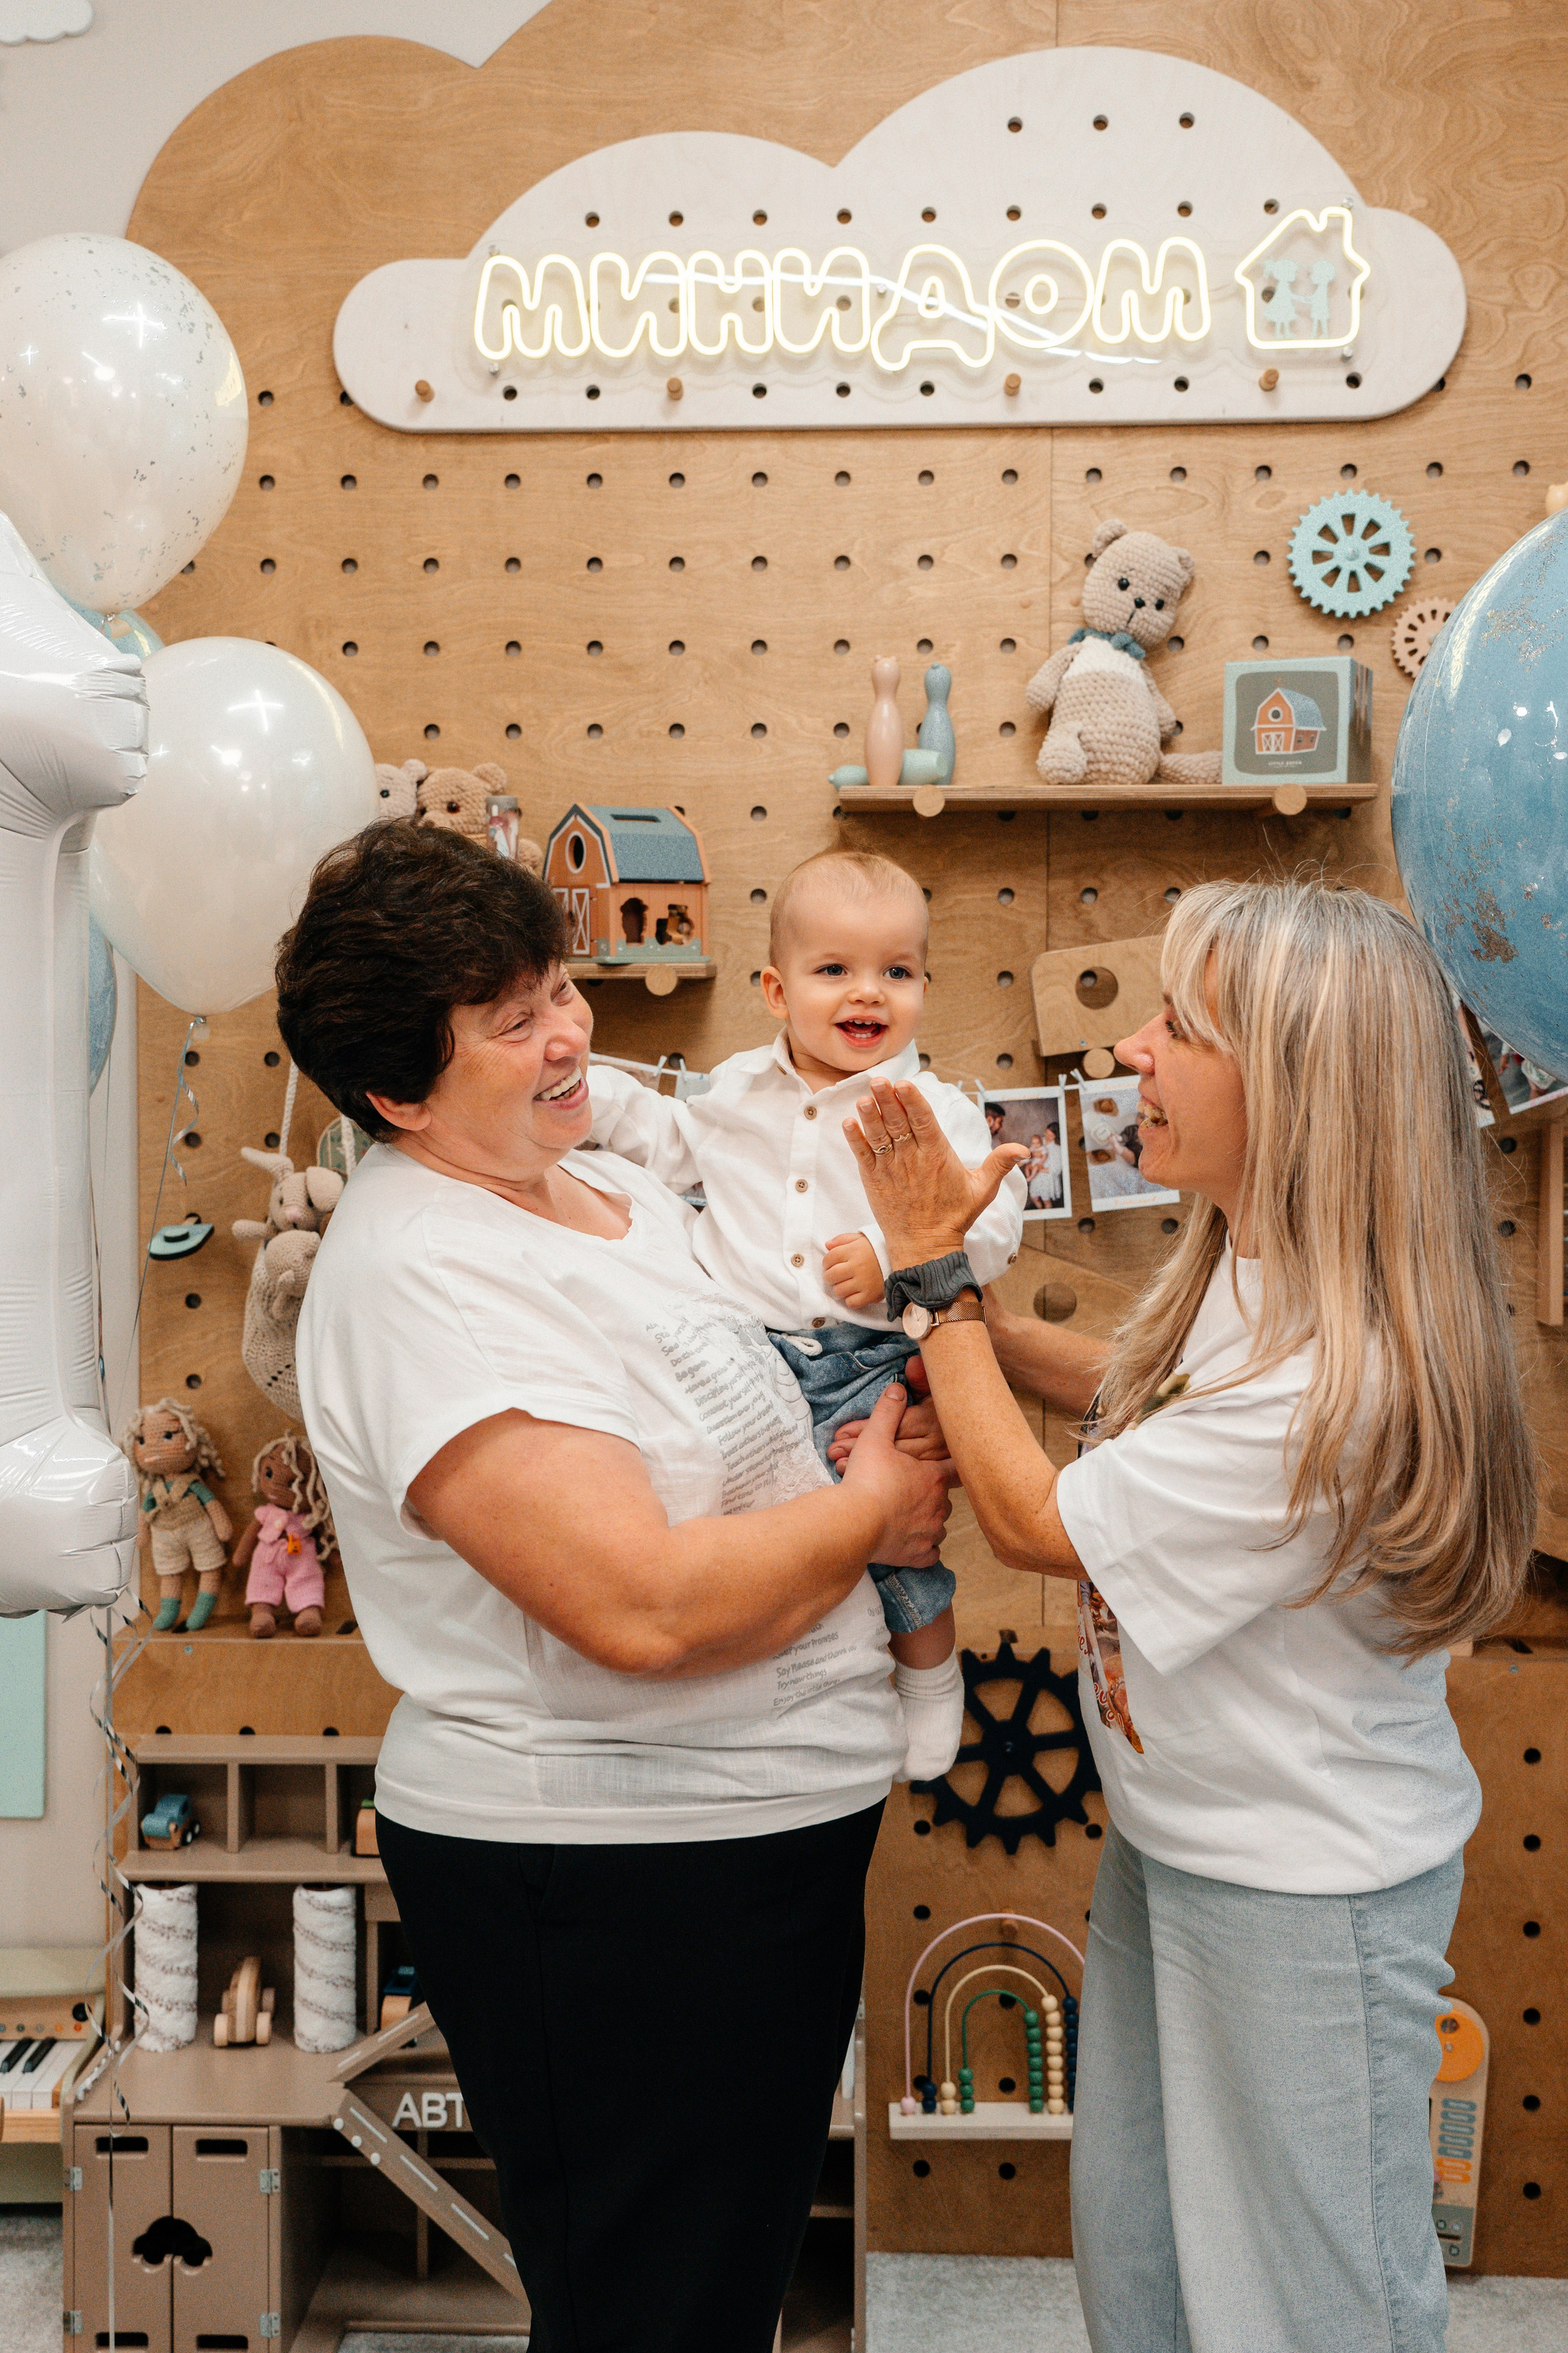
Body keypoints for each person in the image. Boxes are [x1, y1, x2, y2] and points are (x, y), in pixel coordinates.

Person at [276, 822, 955, 2353]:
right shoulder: (421, 1278)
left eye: (559, 985)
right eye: (510, 1022)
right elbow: (638, 1603)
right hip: (611, 1874)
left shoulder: (607, 1190)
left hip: (748, 1839)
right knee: (650, 2310)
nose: (570, 1032)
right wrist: (872, 1509)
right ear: (398, 1090)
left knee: (709, 2294)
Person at [837, 877, 1534, 2353]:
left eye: (1181, 1025)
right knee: (1146, 2274)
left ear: (1293, 1089)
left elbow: (1041, 1525)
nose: (1127, 1050)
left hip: (1299, 1890)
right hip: (1182, 1842)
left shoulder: (1326, 1396)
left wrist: (930, 1291)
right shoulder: (1255, 1265)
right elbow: (1141, 1407)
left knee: (1305, 2305)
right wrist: (977, 1318)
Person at [589, 848, 1023, 1779]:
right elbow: (667, 1143)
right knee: (746, 1527)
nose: (868, 993)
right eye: (835, 970)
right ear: (777, 991)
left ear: (922, 985)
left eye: (896, 972)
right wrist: (586, 1092)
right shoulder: (738, 1087)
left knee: (896, 1533)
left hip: (866, 1359)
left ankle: (931, 1675)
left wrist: (900, 1254)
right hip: (744, 1353)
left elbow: (991, 1223)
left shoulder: (932, 1109)